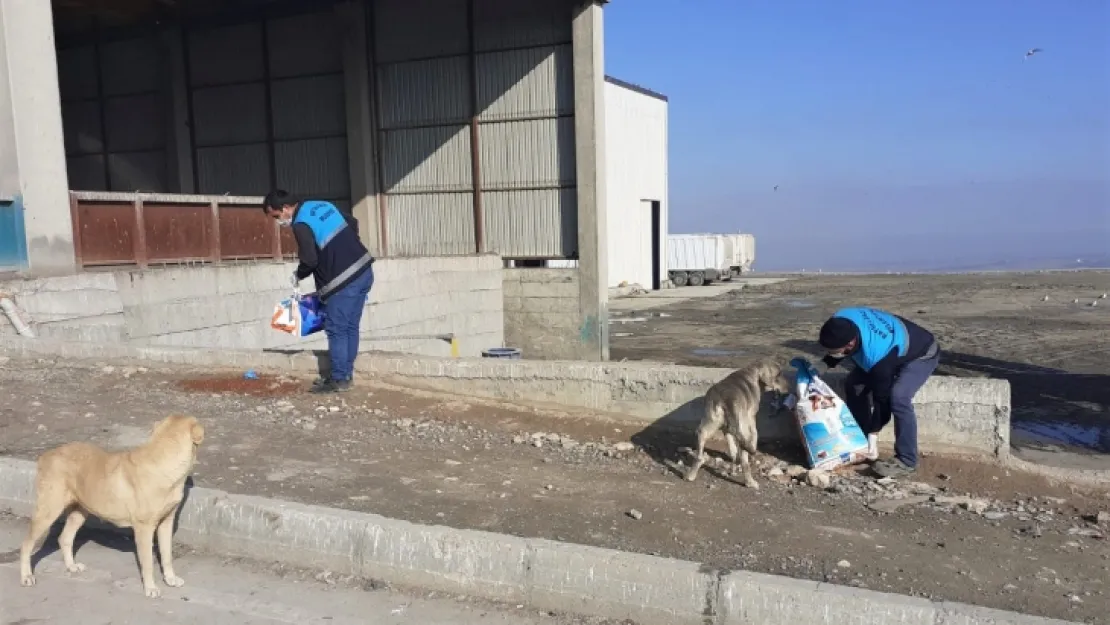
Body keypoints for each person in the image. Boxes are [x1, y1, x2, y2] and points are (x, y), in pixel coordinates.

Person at [263, 190, 375, 394]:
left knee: (336, 328)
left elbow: (310, 260)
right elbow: (353, 222)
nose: (278, 222)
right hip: (364, 268)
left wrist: (298, 274)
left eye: (277, 217)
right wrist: (346, 248)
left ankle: (340, 379)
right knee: (350, 326)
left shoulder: (300, 224)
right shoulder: (321, 205)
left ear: (286, 209)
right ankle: (346, 373)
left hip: (344, 279)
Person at [817, 306, 940, 478]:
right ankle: (859, 441)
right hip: (891, 348)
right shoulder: (840, 319)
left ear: (850, 344)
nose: (831, 354)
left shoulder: (878, 358)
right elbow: (838, 345)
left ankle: (907, 460)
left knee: (899, 398)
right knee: (854, 384)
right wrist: (824, 364)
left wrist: (873, 434)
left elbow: (882, 401)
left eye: (834, 352)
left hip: (922, 353)